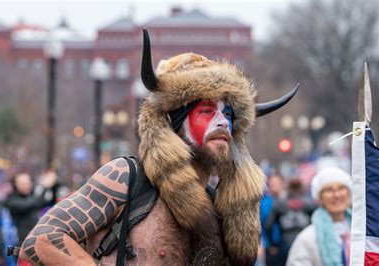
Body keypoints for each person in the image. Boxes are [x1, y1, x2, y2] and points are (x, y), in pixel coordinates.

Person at [20, 29, 299, 265]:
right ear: (174, 123)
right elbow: (40, 241)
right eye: (206, 111)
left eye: (228, 114)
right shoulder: (127, 178)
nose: (223, 122)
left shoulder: (218, 207)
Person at [286, 167, 352, 266]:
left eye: (341, 188)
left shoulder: (362, 233)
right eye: (329, 190)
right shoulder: (307, 239)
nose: (337, 195)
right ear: (320, 198)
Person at [266, 177, 315, 265]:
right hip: (304, 244)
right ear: (302, 189)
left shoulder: (279, 204)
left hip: (285, 244)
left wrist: (273, 244)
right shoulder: (309, 204)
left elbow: (269, 225)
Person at [5, 171, 58, 245]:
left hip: (37, 241)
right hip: (22, 244)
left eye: (28, 183)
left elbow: (49, 201)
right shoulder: (12, 200)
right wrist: (44, 186)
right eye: (22, 184)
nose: (26, 186)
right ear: (15, 185)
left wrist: (52, 185)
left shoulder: (32, 196)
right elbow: (30, 204)